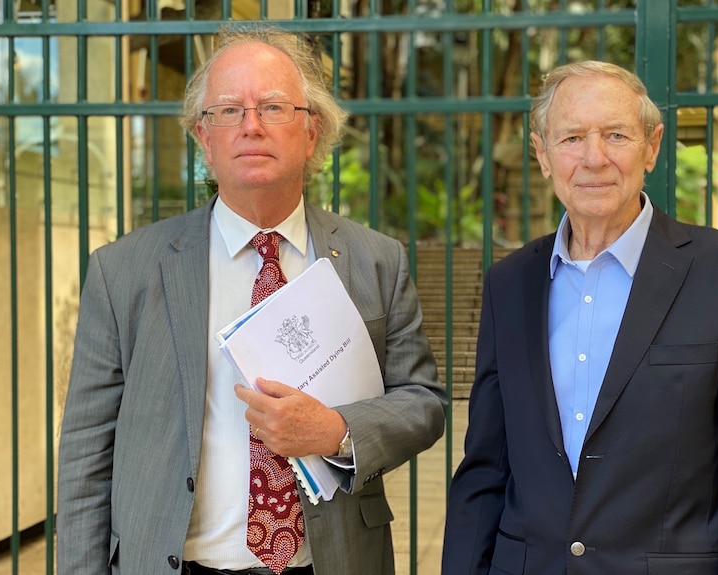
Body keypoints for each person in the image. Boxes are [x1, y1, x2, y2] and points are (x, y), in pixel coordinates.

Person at [57, 25, 447, 575]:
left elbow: (424, 403)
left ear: (312, 132)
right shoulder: (124, 272)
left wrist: (337, 431)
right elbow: (85, 456)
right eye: (229, 111)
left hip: (329, 562)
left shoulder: (376, 261)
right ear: (203, 138)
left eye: (272, 107)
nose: (252, 126)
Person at [441, 61, 718, 575]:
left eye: (616, 135)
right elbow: (484, 472)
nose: (594, 159)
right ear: (542, 154)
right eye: (571, 138)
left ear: (652, 147)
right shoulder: (509, 284)